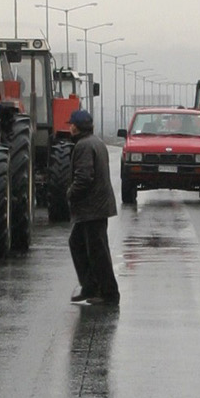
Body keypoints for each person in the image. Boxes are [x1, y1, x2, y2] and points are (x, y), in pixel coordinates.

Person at [66, 109, 119, 305]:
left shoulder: (83, 146)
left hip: (92, 209)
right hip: (95, 208)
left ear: (76, 127)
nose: (69, 126)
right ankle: (90, 287)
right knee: (79, 244)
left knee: (97, 251)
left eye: (71, 123)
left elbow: (84, 178)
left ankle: (109, 293)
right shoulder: (95, 142)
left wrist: (70, 193)